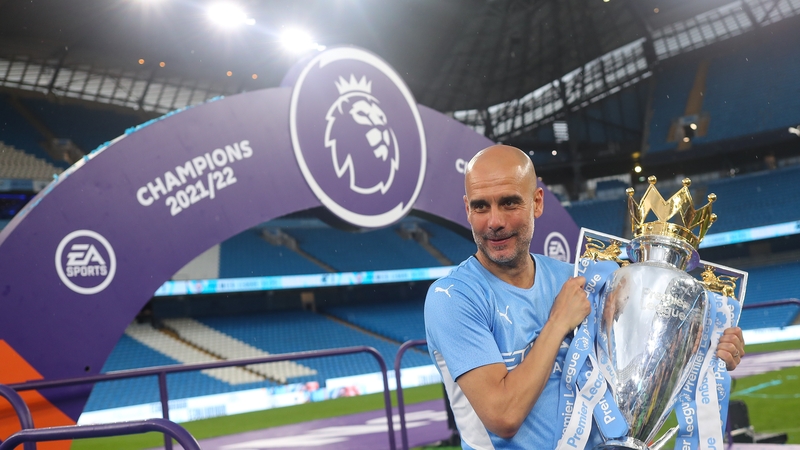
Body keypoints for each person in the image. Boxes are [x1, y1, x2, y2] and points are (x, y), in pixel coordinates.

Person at [423, 145, 745, 450]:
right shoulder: (452, 298)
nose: (494, 221)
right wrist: (558, 322)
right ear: (467, 209)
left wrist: (705, 349)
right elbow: (503, 416)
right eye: (481, 206)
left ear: (537, 202)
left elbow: (639, 361)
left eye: (509, 203)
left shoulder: (575, 278)